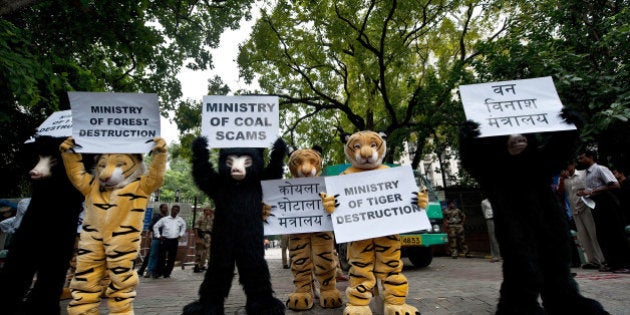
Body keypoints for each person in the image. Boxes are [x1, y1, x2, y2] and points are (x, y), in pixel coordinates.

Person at [577, 150, 630, 273]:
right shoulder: (587, 174)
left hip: (607, 204)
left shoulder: (600, 169)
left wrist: (592, 191)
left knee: (615, 233)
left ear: (590, 157)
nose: (580, 160)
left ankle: (625, 264)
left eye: (582, 157)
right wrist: (585, 193)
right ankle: (612, 263)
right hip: (596, 205)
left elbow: (615, 185)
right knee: (603, 234)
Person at [558, 161, 605, 269]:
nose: (567, 168)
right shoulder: (564, 180)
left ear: (573, 165)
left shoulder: (583, 174)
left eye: (568, 165)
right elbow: (560, 192)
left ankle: (602, 260)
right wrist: (561, 179)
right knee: (583, 237)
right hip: (575, 210)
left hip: (587, 207)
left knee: (594, 235)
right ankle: (593, 261)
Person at [153, 204, 187, 278]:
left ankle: (167, 273)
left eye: (177, 210)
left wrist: (180, 235)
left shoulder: (180, 220)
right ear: (171, 210)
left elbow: (184, 227)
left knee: (172, 258)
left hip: (174, 240)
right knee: (161, 257)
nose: (175, 211)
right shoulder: (165, 219)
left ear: (178, 211)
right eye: (174, 209)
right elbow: (155, 226)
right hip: (165, 240)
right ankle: (159, 273)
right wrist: (158, 236)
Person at [139, 203, 168, 278]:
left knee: (160, 256)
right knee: (152, 255)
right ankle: (148, 271)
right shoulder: (157, 217)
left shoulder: (168, 218)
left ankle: (155, 271)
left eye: (166, 208)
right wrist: (148, 237)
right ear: (161, 209)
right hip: (156, 238)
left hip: (165, 239)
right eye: (164, 208)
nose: (166, 209)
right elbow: (150, 227)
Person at [193, 206, 214, 273]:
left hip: (209, 237)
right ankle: (197, 266)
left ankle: (202, 266)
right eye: (208, 210)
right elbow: (196, 227)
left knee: (207, 252)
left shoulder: (211, 218)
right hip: (201, 235)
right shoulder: (200, 217)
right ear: (204, 211)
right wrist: (196, 238)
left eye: (210, 210)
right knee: (199, 251)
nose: (209, 212)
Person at [481, 198, 501, 262]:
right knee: (493, 237)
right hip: (489, 219)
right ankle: (495, 256)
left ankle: (501, 255)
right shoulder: (484, 202)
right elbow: (484, 212)